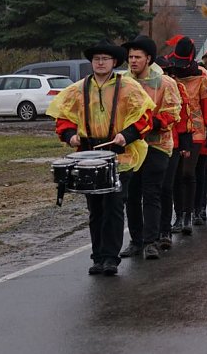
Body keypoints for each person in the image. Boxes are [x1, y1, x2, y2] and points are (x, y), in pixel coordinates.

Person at [46, 39, 154, 276]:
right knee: (95, 208)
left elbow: (145, 117)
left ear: (114, 62)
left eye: (105, 59)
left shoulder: (128, 87)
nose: (101, 63)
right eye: (97, 59)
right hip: (88, 156)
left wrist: (126, 135)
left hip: (120, 156)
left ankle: (110, 258)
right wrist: (70, 135)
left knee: (114, 205)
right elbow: (63, 117)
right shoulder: (78, 88)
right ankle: (98, 256)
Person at [120, 35, 182, 260]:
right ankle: (136, 240)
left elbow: (172, 113)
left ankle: (151, 241)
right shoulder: (123, 83)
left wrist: (152, 123)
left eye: (137, 57)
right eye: (130, 57)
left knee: (152, 193)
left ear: (149, 58)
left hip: (157, 145)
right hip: (131, 146)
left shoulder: (165, 83)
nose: (133, 61)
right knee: (131, 195)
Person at [166, 36, 207, 235]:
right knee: (175, 175)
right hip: (174, 128)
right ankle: (178, 214)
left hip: (197, 130)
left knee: (188, 172)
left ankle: (189, 214)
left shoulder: (202, 76)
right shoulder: (170, 74)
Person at [155, 55, 192, 249]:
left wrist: (185, 143)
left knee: (170, 185)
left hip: (174, 142)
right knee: (152, 189)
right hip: (148, 144)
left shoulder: (177, 88)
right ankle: (152, 230)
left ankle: (173, 221)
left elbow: (184, 116)